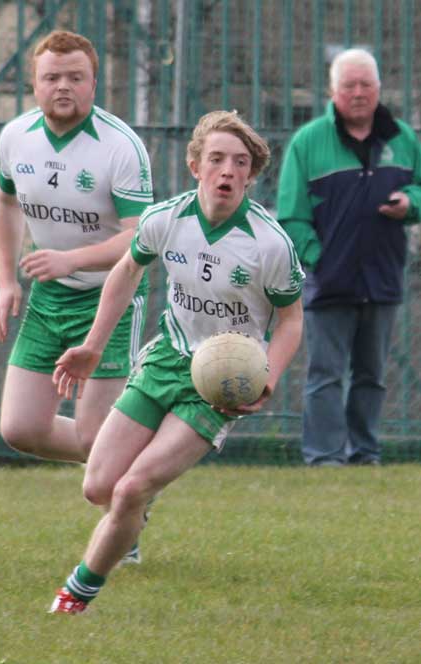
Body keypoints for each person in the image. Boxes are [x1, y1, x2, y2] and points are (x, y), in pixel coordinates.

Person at [48, 110, 305, 613]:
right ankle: (134, 514)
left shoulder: (270, 243)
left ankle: (76, 595)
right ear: (195, 165)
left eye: (240, 162)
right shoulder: (165, 219)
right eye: (216, 159)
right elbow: (125, 272)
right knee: (98, 486)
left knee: (128, 490)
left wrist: (266, 376)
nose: (227, 170)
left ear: (251, 175)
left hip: (219, 383)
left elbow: (292, 320)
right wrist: (93, 345)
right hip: (166, 360)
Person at [0, 30, 153, 561]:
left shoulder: (120, 146)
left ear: (94, 81)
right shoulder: (15, 137)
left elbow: (139, 240)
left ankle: (124, 517)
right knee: (20, 428)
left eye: (75, 77)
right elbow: (6, 202)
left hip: (108, 297)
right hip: (47, 299)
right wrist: (7, 281)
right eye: (51, 77)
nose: (63, 87)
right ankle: (134, 460)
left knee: (93, 439)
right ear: (34, 83)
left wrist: (70, 259)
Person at [277, 48, 421, 467]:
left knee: (371, 376)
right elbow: (292, 214)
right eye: (349, 86)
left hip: (383, 277)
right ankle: (324, 456)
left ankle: (365, 452)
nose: (358, 93)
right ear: (332, 91)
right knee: (325, 374)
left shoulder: (404, 140)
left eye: (366, 85)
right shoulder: (308, 143)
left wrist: (409, 203)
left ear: (378, 89)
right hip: (329, 281)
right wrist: (318, 259)